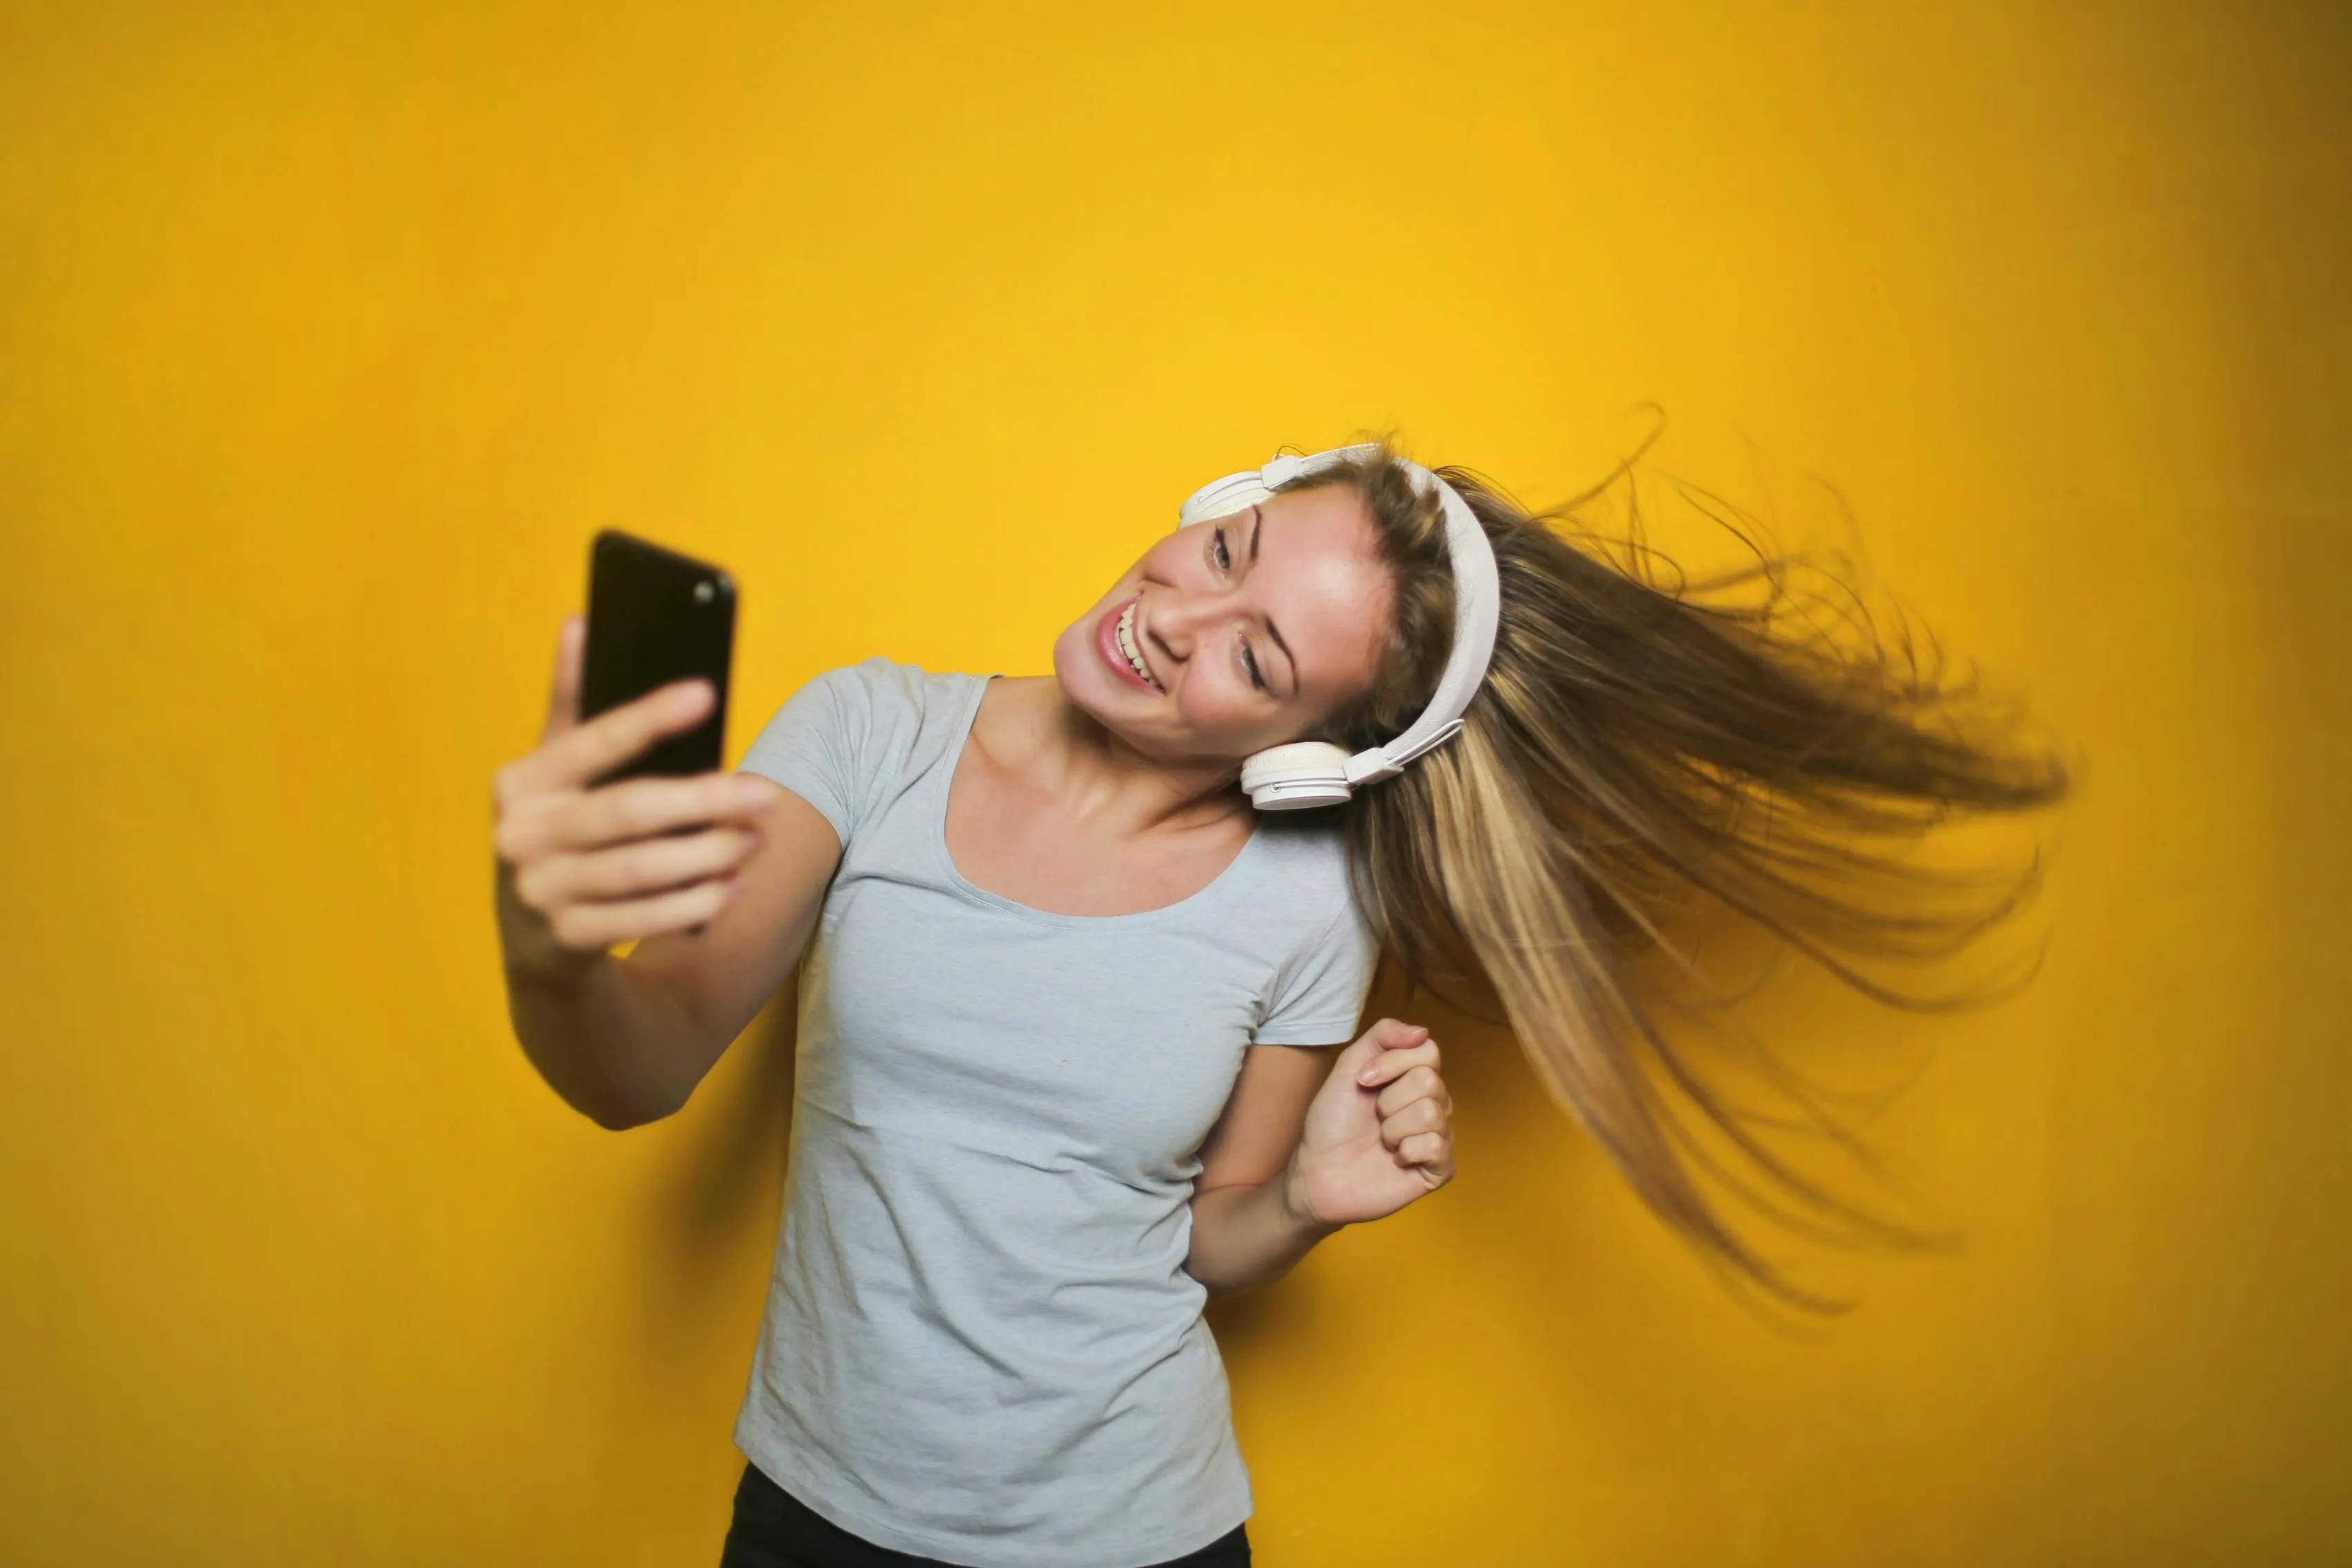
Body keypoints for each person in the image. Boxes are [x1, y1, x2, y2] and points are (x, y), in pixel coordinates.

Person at [491, 441, 2066, 1568]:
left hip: (1135, 1534)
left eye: (1255, 655)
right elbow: (639, 1070)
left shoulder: (1310, 896)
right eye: (1230, 548)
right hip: (816, 1518)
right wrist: (551, 942)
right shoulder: (868, 729)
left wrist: (1303, 1200)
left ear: (1310, 752)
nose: (1176, 614)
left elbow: (1200, 1232)